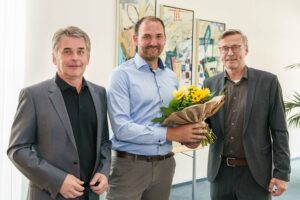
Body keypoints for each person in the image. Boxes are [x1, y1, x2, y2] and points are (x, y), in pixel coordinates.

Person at [106, 16, 206, 200]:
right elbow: (122, 129)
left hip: (165, 166)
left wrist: (188, 137)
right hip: (129, 166)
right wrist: (173, 135)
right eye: (147, 37)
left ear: (165, 39)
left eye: (159, 36)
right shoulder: (121, 75)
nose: (154, 42)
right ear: (135, 39)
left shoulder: (170, 77)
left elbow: (173, 120)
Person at [7, 26, 111, 200]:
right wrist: (58, 180)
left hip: (90, 195)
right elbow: (18, 150)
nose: (75, 58)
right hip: (50, 194)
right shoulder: (33, 96)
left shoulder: (99, 94)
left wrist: (104, 171)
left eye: (80, 51)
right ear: (54, 58)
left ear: (88, 57)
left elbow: (104, 143)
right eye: (67, 51)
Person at [203, 29, 291, 200]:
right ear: (219, 52)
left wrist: (282, 173)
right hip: (220, 173)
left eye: (236, 47)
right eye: (224, 48)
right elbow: (206, 124)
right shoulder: (209, 84)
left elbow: (279, 131)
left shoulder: (268, 82)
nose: (230, 53)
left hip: (255, 173)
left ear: (246, 50)